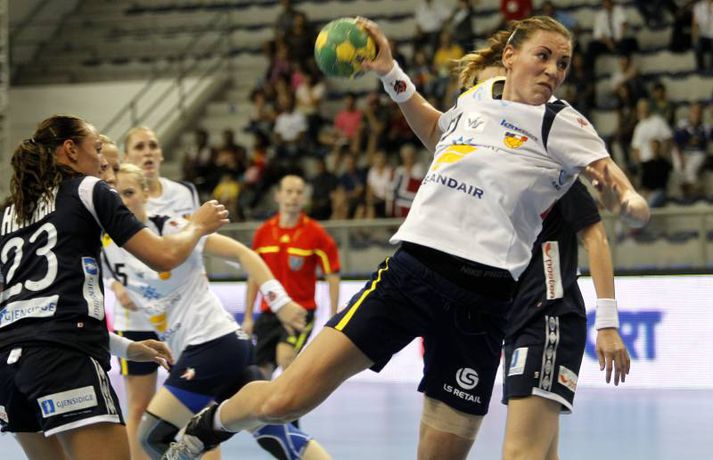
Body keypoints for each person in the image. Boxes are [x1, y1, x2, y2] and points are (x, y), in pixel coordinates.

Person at [164, 16, 650, 460]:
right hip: (411, 275)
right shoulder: (479, 96)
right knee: (284, 401)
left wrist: (628, 201)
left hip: (482, 305)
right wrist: (390, 73)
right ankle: (213, 423)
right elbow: (438, 132)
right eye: (542, 56)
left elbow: (616, 182)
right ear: (510, 56)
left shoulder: (562, 122)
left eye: (562, 63)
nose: (553, 70)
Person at [0, 115, 229, 460]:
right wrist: (197, 225)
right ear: (70, 150)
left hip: (7, 368)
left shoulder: (9, 212)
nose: (104, 165)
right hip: (64, 361)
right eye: (97, 151)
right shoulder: (87, 189)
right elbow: (164, 256)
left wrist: (127, 348)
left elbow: (35, 315)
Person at [468, 43, 632, 460]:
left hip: (548, 316)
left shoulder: (548, 167)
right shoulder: (485, 174)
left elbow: (596, 237)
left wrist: (608, 323)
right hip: (517, 320)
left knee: (519, 454)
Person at [101, 164, 324, 460]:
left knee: (152, 437)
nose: (122, 201)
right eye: (115, 195)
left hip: (212, 343)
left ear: (146, 194)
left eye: (129, 192)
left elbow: (243, 253)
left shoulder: (172, 227)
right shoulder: (106, 246)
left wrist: (279, 302)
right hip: (218, 348)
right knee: (275, 435)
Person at [108, 126, 202, 460]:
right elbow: (103, 253)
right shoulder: (113, 195)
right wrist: (117, 285)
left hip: (178, 316)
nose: (147, 152)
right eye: (139, 147)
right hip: (135, 319)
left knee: (196, 406)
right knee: (139, 406)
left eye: (153, 145)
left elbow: (197, 244)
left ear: (161, 153)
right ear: (127, 156)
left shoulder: (182, 194)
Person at [243, 175, 341, 381]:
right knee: (260, 373)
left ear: (304, 198)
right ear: (278, 195)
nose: (293, 197)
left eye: (299, 192)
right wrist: (248, 317)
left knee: (285, 356)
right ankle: (268, 403)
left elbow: (332, 274)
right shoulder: (263, 233)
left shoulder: (316, 233)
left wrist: (334, 314)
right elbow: (253, 276)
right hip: (269, 312)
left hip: (300, 312)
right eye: (289, 191)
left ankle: (294, 403)